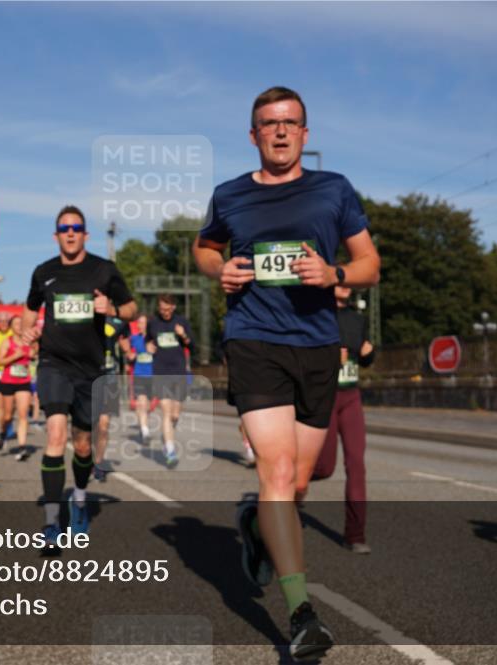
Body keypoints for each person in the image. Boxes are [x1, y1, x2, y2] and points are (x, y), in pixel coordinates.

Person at [194, 86, 380, 661]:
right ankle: (302, 615)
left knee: (297, 485)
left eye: (290, 123)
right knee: (275, 470)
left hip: (318, 347)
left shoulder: (334, 189)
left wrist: (334, 272)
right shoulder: (229, 195)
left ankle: (255, 524)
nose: (279, 132)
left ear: (305, 133)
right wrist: (219, 269)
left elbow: (370, 264)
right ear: (253, 136)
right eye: (268, 124)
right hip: (253, 341)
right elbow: (203, 248)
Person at [19, 205, 137, 548]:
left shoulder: (104, 269)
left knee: (83, 445)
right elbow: (30, 308)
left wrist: (111, 309)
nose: (70, 232)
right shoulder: (44, 272)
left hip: (91, 369)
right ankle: (52, 523)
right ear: (56, 235)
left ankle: (80, 499)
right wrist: (27, 333)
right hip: (54, 364)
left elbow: (131, 309)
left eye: (76, 227)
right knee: (55, 435)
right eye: (64, 228)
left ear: (85, 233)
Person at [309, 285, 375, 554]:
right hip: (324, 398)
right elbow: (304, 358)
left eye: (348, 282)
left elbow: (367, 358)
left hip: (351, 397)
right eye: (340, 280)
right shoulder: (315, 314)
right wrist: (329, 357)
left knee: (356, 464)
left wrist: (369, 352)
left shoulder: (357, 320)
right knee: (324, 468)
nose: (345, 286)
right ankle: (290, 484)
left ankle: (355, 535)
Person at [145, 294, 194, 468]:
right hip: (161, 371)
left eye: (167, 309)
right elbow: (147, 342)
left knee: (175, 415)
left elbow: (191, 344)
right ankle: (171, 449)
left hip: (178, 371)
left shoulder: (182, 322)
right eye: (161, 309)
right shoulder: (153, 323)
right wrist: (148, 347)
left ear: (173, 307)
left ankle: (167, 439)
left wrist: (183, 335)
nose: (164, 312)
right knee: (166, 412)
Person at [91, 315, 127, 481]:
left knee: (104, 425)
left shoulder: (118, 322)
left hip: (110, 378)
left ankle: (98, 463)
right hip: (88, 377)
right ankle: (87, 456)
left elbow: (126, 342)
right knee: (91, 425)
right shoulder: (86, 316)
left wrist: (128, 348)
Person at [0, 316, 34, 460]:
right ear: (11, 327)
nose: (19, 326)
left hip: (24, 381)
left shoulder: (29, 342)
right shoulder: (7, 342)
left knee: (23, 415)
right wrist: (15, 356)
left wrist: (32, 354)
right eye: (16, 324)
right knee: (7, 416)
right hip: (8, 381)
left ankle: (22, 447)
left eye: (21, 323)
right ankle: (3, 433)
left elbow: (34, 354)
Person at [125, 315, 156, 445]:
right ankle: (145, 431)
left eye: (143, 322)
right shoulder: (134, 338)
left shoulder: (154, 339)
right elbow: (126, 349)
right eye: (139, 323)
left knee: (147, 406)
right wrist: (129, 355)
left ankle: (143, 426)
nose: (141, 325)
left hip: (153, 376)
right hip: (139, 375)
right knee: (141, 402)